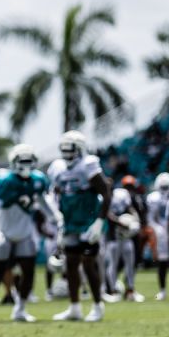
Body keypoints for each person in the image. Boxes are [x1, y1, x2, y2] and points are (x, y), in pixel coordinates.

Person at [0, 144, 56, 322]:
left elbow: (43, 202)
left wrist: (56, 218)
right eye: (23, 160)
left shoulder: (37, 180)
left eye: (30, 160)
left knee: (28, 271)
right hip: (4, 231)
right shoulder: (6, 180)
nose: (27, 164)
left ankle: (20, 308)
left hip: (25, 232)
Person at [48, 130, 112, 322]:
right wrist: (58, 219)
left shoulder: (88, 165)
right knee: (71, 264)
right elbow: (55, 195)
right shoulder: (57, 168)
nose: (67, 154)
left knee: (88, 263)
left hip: (89, 221)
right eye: (64, 150)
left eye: (71, 150)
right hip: (70, 222)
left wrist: (100, 221)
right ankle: (74, 307)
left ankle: (97, 306)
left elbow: (106, 193)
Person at [105, 176, 145, 303]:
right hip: (113, 236)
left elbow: (130, 208)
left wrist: (134, 218)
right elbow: (107, 214)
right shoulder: (102, 198)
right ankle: (112, 291)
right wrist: (120, 222)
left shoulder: (121, 195)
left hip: (126, 235)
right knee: (113, 263)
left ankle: (130, 290)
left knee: (130, 262)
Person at [146, 173, 169, 300]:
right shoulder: (153, 198)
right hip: (162, 232)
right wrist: (158, 230)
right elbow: (150, 218)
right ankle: (162, 290)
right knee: (162, 262)